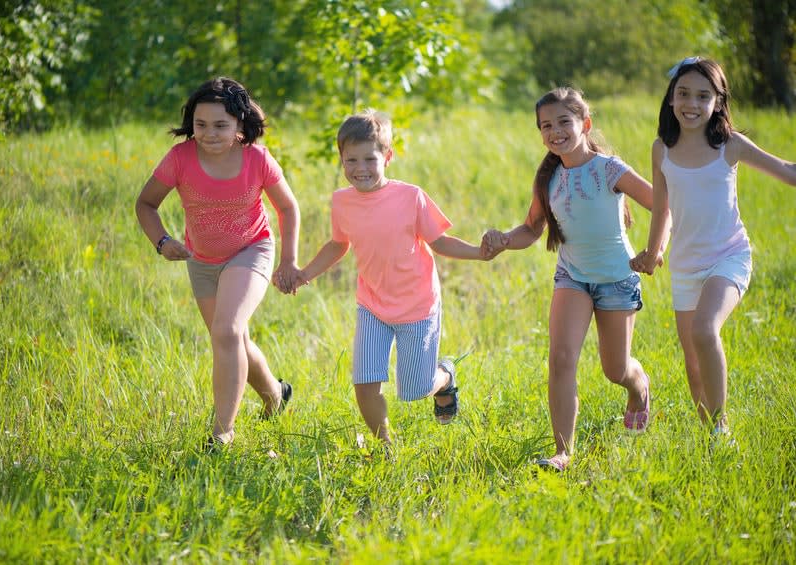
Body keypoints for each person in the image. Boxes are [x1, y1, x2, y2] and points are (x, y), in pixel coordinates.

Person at [279, 109, 495, 446]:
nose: (360, 169)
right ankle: (386, 446)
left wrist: (478, 252)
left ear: (388, 157)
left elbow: (439, 242)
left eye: (369, 159)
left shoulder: (411, 197)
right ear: (341, 159)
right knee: (365, 383)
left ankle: (446, 375)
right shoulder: (341, 201)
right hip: (373, 305)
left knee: (416, 389)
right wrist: (305, 274)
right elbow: (338, 245)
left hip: (417, 305)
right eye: (351, 160)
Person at [483, 87, 663, 472]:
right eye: (546, 125)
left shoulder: (609, 168)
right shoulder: (548, 178)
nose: (555, 131)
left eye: (563, 121)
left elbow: (659, 203)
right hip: (573, 277)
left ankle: (639, 385)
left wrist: (654, 249)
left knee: (615, 369)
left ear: (585, 124)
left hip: (617, 278)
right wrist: (502, 240)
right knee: (561, 359)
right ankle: (563, 452)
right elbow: (531, 230)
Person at [630, 57, 796, 440]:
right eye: (683, 93)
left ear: (718, 102)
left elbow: (786, 170)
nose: (691, 103)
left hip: (729, 257)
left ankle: (722, 430)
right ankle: (709, 438)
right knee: (693, 366)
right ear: (671, 99)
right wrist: (654, 252)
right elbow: (662, 207)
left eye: (703, 96)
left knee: (705, 330)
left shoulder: (730, 146)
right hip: (686, 266)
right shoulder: (662, 150)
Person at [135, 77, 305, 449]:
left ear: (240, 126)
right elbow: (145, 204)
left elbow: (288, 208)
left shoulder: (256, 158)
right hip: (202, 260)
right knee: (235, 338)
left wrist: (289, 261)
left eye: (220, 125)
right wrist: (162, 241)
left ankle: (222, 432)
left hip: (252, 250)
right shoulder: (180, 158)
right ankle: (276, 395)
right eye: (201, 125)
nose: (209, 134)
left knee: (226, 332)